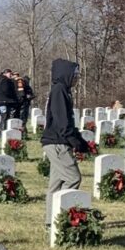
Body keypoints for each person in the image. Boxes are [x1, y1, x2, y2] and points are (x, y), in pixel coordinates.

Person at [41, 58, 90, 229]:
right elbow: (62, 122)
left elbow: (68, 122)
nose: (76, 79)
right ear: (66, 75)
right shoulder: (60, 90)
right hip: (57, 143)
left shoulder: (63, 90)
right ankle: (60, 216)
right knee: (73, 178)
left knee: (56, 184)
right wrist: (75, 141)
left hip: (58, 141)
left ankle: (50, 222)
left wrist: (80, 141)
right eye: (74, 75)